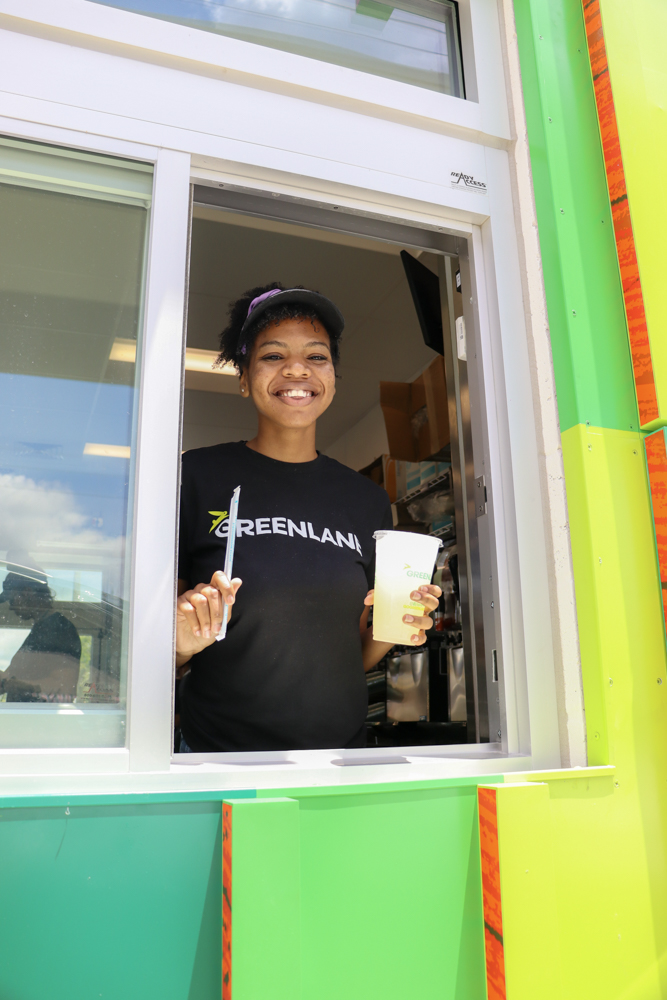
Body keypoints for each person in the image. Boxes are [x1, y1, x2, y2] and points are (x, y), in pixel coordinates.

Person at [176, 283, 442, 752]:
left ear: (334, 378)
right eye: (273, 355)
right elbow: (146, 648)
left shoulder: (365, 500)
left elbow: (350, 657)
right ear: (243, 377)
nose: (296, 369)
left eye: (316, 357)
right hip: (217, 762)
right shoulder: (194, 477)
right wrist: (177, 645)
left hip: (338, 762)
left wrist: (400, 623)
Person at [0, 555, 81, 702]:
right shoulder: (42, 629)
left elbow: (65, 687)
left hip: (41, 722)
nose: (11, 607)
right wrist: (4, 681)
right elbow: (16, 677)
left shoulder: (59, 629)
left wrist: (8, 683)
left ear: (27, 592)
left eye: (12, 599)